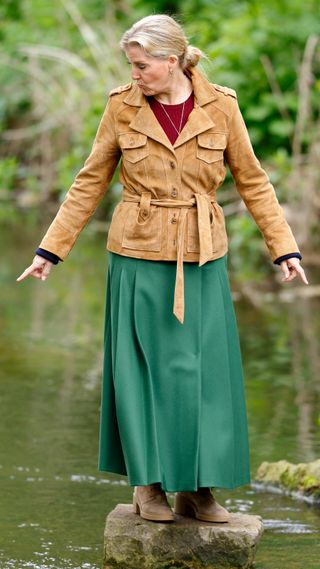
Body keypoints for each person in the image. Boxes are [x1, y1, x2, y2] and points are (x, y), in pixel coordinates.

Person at [17, 14, 308, 524]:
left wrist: (284, 249)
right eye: (131, 66)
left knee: (203, 376)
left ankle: (197, 490)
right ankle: (147, 486)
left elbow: (253, 181)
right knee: (142, 375)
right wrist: (50, 250)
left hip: (203, 255)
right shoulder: (121, 107)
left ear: (171, 61)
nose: (135, 75)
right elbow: (89, 181)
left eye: (142, 65)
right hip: (137, 255)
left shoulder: (222, 106)